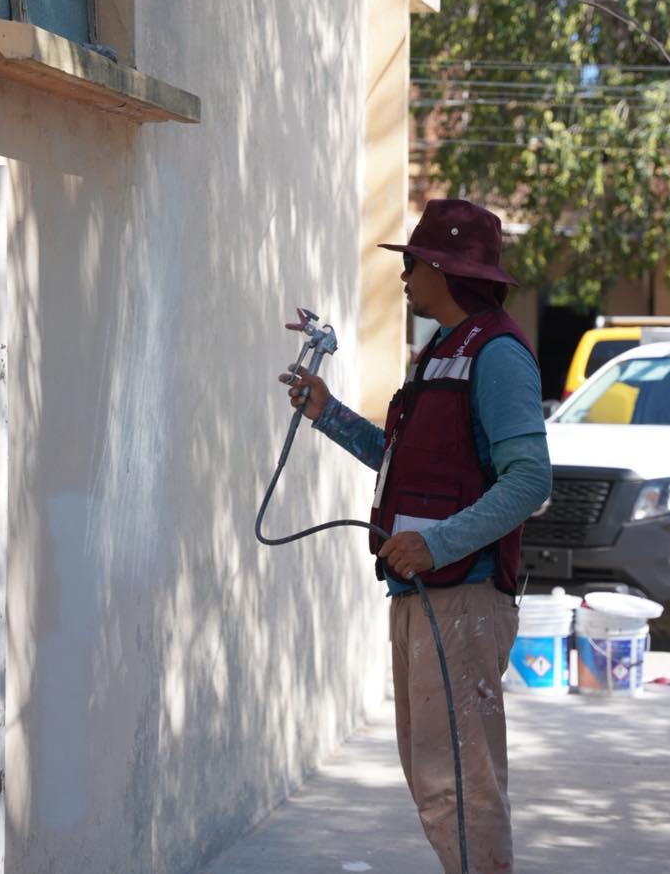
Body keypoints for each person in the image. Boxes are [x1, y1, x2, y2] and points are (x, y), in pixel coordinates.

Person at [279, 198, 552, 873]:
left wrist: (437, 544)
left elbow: (529, 482)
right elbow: (408, 465)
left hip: (462, 596)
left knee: (460, 784)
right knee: (438, 781)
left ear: (446, 270)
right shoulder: (441, 353)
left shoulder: (496, 355)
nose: (404, 277)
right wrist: (329, 414)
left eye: (415, 264)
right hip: (426, 594)